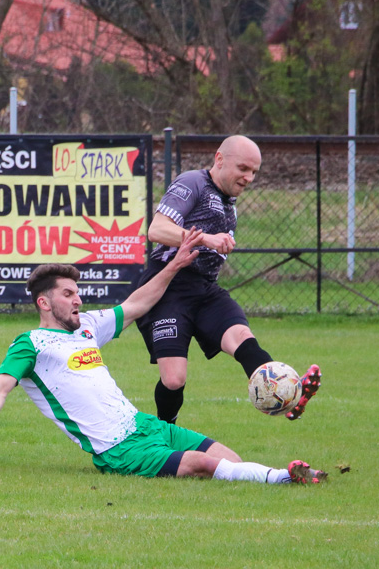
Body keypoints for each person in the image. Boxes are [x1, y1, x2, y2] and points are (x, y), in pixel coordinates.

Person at [0, 228, 327, 484]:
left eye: (77, 292)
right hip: (116, 449)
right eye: (68, 294)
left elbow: (137, 303)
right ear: (44, 302)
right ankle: (284, 477)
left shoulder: (87, 327)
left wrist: (176, 263)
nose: (78, 299)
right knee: (203, 464)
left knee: (225, 454)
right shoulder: (30, 343)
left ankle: (275, 476)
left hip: (144, 425)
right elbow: (2, 385)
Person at [135, 135, 321, 424]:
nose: (249, 178)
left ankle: (288, 395)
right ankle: (164, 434)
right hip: (168, 286)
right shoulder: (192, 182)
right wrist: (206, 239)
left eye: (254, 172)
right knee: (173, 379)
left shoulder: (228, 204)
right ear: (219, 159)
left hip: (205, 289)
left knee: (242, 339)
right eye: (244, 169)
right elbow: (157, 229)